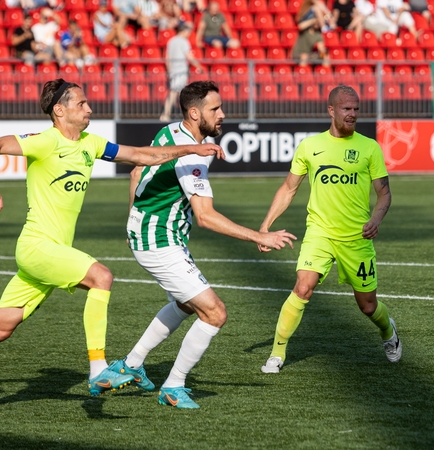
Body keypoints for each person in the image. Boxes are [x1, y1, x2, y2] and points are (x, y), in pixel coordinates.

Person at [0, 79, 224, 397]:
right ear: (59, 110)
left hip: (51, 255)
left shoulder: (91, 143)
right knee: (101, 277)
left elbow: (142, 156)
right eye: (81, 104)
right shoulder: (45, 142)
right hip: (37, 247)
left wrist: (191, 148)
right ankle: (98, 369)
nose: (89, 108)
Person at [108, 81, 296, 409]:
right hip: (159, 241)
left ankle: (132, 364)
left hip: (154, 234)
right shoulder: (192, 156)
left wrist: (132, 219)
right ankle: (173, 385)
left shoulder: (170, 132)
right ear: (195, 113)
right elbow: (206, 216)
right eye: (215, 109)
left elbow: (137, 171)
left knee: (185, 304)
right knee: (214, 313)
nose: (223, 114)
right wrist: (260, 236)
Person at [259, 85, 399, 375]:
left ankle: (388, 331)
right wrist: (265, 226)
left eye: (356, 109)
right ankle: (277, 353)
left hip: (356, 238)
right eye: (347, 109)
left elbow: (384, 194)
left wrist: (376, 220)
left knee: (368, 306)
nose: (353, 114)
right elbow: (288, 189)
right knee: (303, 287)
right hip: (319, 233)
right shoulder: (310, 146)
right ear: (331, 110)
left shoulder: (369, 147)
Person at [160, 22, 204, 122]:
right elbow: (189, 56)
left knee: (177, 93)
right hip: (180, 71)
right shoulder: (184, 41)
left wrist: (169, 71)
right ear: (184, 31)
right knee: (175, 93)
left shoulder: (171, 41)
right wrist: (199, 66)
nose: (189, 34)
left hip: (173, 71)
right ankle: (166, 115)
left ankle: (174, 115)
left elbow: (167, 58)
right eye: (188, 32)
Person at [293, 0, 331, 66]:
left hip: (309, 55)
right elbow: (300, 26)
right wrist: (314, 20)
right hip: (297, 54)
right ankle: (302, 72)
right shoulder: (305, 30)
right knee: (304, 56)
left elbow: (321, 48)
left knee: (325, 55)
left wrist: (323, 54)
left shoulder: (318, 34)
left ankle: (326, 71)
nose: (317, 24)